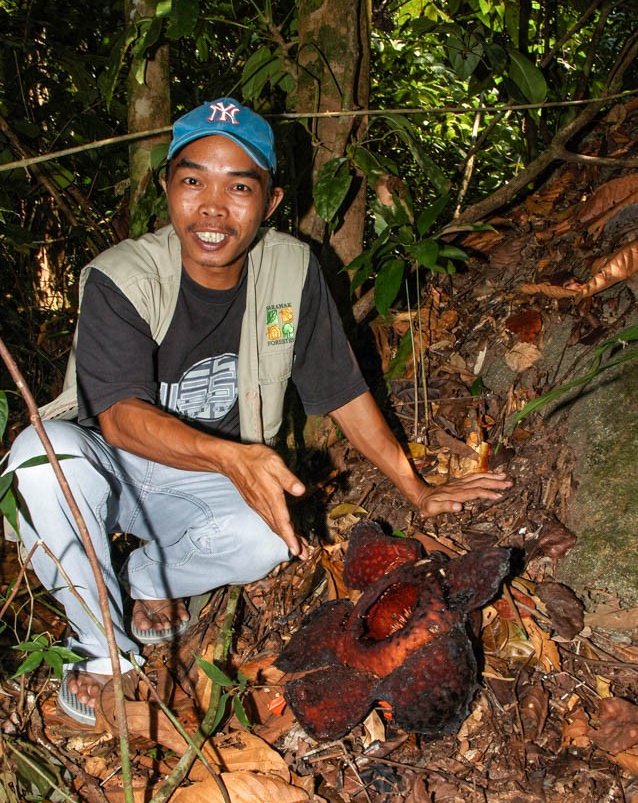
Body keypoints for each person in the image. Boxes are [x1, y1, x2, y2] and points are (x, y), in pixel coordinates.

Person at [7, 97, 511, 726]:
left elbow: (342, 390)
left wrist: (417, 488)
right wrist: (233, 457)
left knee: (271, 537)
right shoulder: (123, 277)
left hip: (208, 478)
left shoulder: (292, 272)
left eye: (238, 186)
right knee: (35, 459)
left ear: (270, 203)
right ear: (166, 187)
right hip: (108, 466)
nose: (213, 207)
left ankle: (145, 577)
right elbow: (117, 418)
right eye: (193, 180)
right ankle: (99, 645)